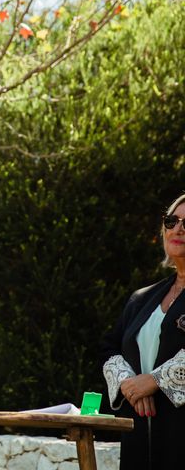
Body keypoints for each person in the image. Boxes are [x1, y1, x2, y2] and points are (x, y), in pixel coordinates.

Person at [101, 194, 185, 469]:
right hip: (140, 437)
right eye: (172, 221)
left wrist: (156, 380)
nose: (178, 229)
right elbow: (109, 348)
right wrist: (130, 383)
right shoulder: (141, 298)